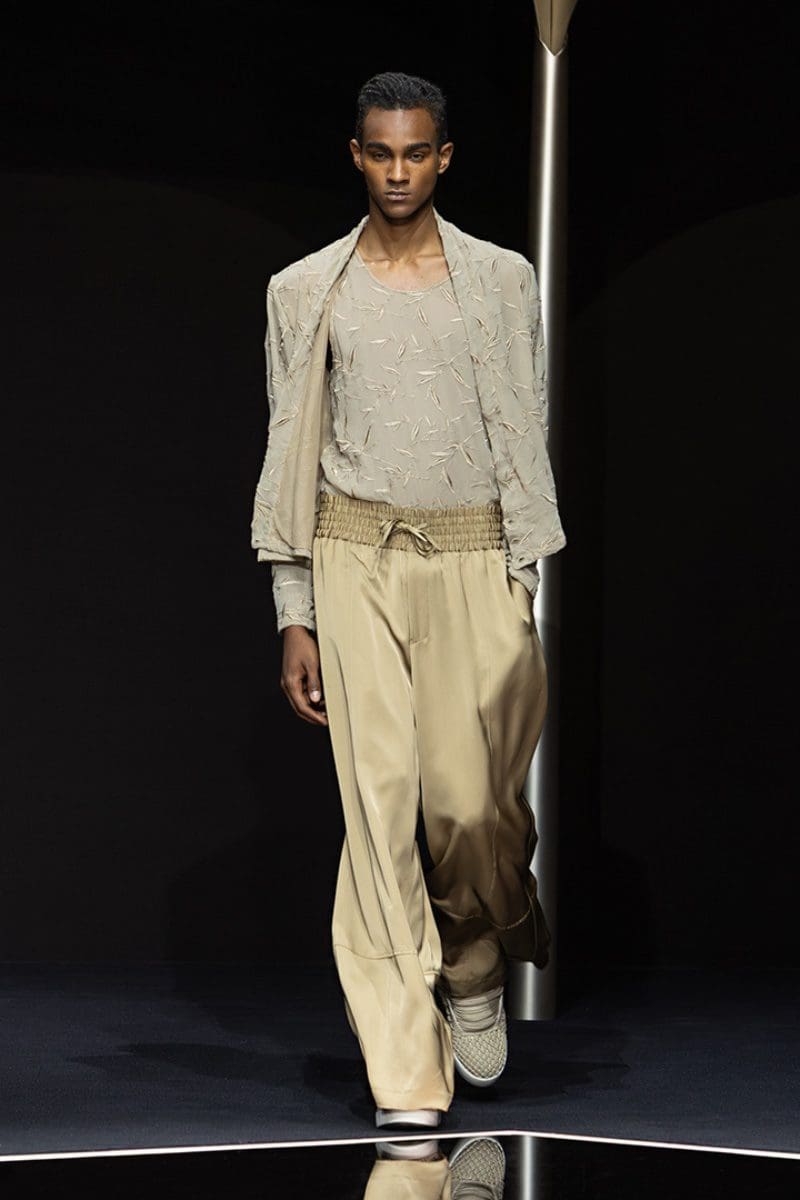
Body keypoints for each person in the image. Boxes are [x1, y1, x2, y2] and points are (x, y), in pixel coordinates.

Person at [251, 70, 567, 1131]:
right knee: (376, 814)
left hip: (475, 558)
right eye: (379, 153)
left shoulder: (501, 280)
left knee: (470, 814)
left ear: (443, 158)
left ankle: (472, 962)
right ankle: (406, 1077)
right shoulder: (304, 290)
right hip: (352, 558)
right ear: (356, 155)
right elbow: (290, 452)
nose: (397, 172)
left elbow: (521, 428)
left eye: (415, 153)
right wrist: (293, 607)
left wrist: (523, 577)